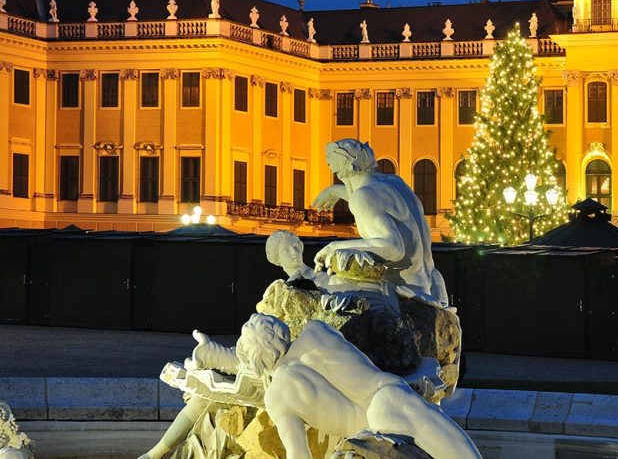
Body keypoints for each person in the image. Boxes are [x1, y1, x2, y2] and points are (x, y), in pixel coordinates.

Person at [144, 314, 481, 459]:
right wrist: (216, 354)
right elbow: (279, 359)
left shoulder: (280, 395)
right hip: (390, 394)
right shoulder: (318, 332)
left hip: (370, 430)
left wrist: (213, 355)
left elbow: (298, 456)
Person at [312, 139, 448, 308]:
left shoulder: (363, 197)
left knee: (333, 290)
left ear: (337, 169)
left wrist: (334, 247)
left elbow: (394, 248)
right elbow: (373, 202)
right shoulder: (394, 183)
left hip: (403, 296)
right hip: (430, 286)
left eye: (329, 164)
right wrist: (336, 191)